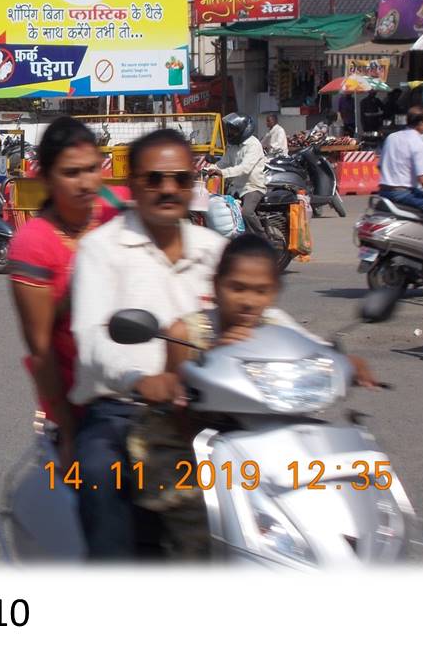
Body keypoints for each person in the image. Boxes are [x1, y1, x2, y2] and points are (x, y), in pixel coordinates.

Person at [126, 234, 379, 559]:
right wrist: (216, 356)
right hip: (190, 449)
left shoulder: (276, 325)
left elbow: (314, 350)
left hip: (262, 446)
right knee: (199, 529)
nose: (248, 301)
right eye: (237, 287)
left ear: (274, 292)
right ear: (216, 286)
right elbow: (179, 409)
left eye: (260, 291)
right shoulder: (186, 333)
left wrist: (349, 363)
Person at [69, 128, 227, 559]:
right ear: (133, 184)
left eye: (179, 178)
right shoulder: (102, 250)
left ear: (193, 183)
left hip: (216, 410)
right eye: (154, 178)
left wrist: (325, 354)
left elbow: (260, 311)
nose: (167, 188)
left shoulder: (215, 250)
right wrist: (141, 380)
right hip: (125, 408)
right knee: (100, 474)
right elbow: (92, 337)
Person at [8, 118, 123, 471]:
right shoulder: (34, 243)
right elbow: (41, 352)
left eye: (92, 169)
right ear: (47, 178)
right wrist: (71, 432)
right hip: (82, 404)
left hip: (147, 390)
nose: (86, 182)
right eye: (71, 173)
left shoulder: (121, 211)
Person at [205, 113, 269, 239]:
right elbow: (224, 162)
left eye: (234, 130)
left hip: (252, 187)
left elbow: (245, 169)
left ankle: (264, 242)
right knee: (224, 211)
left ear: (243, 129)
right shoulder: (233, 145)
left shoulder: (253, 145)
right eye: (230, 129)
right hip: (236, 187)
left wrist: (222, 173)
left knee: (246, 213)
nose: (231, 132)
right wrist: (209, 169)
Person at [377, 106, 423, 219]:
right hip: (403, 193)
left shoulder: (392, 137)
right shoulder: (417, 142)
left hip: (384, 192)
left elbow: (380, 166)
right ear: (420, 123)